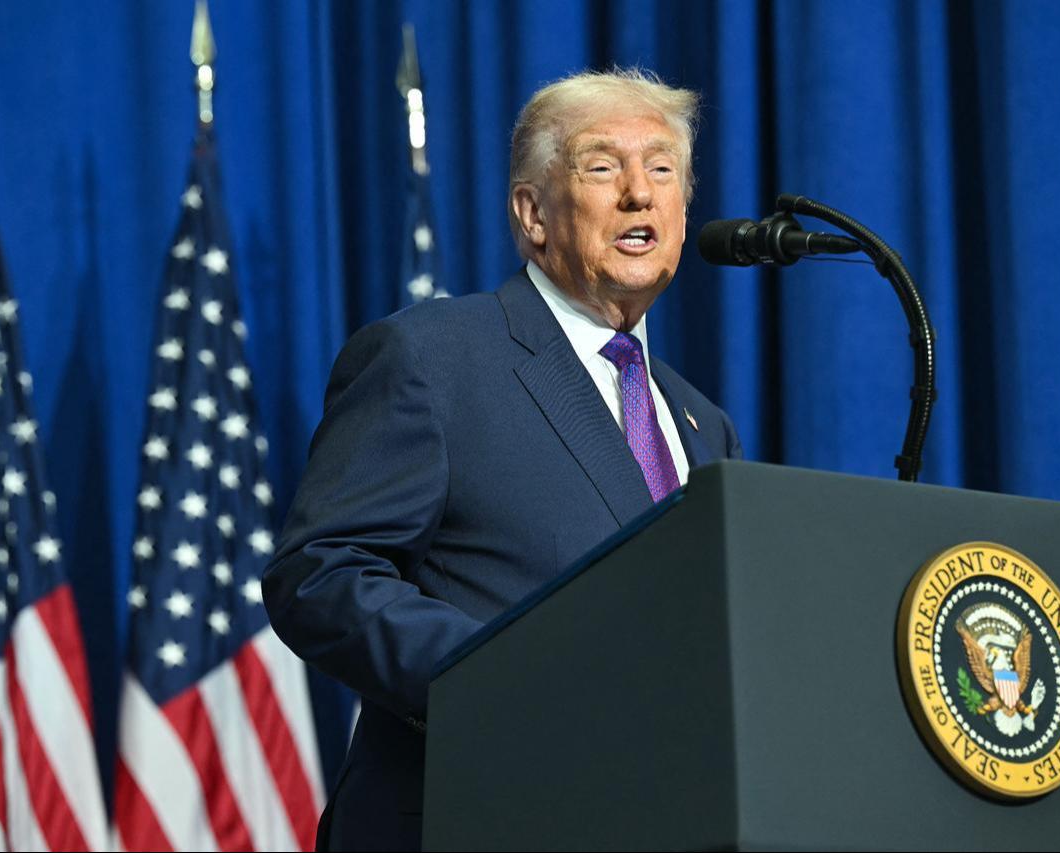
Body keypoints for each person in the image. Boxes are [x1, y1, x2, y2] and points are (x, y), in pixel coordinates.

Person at [263, 68, 742, 852]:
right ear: (532, 213)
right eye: (601, 166)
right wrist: (500, 675)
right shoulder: (434, 357)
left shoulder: (702, 423)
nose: (638, 193)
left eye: (662, 169)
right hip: (475, 813)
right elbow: (318, 571)